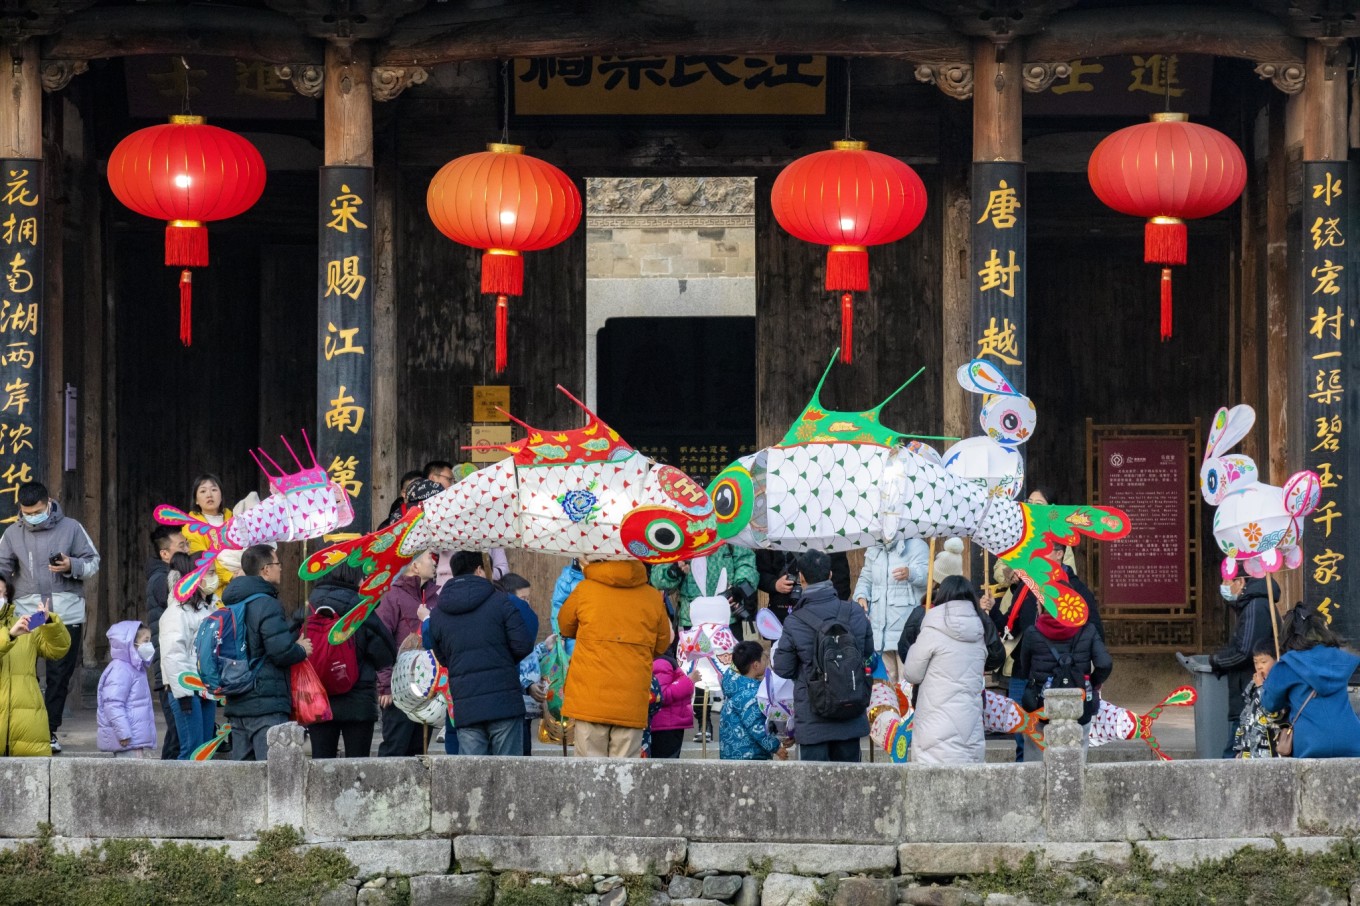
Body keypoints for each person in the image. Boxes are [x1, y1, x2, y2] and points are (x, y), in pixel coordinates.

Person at [0, 480, 101, 753]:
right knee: (25, 673)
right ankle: (21, 731)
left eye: (38, 511)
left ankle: (49, 731)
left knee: (59, 675)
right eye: (27, 512)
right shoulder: (11, 534)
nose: (32, 516)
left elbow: (93, 562)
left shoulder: (71, 527)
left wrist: (72, 565)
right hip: (28, 615)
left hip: (65, 614)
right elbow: (1, 567)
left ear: (49, 503)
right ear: (19, 508)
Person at [559, 559, 671, 758]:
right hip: (631, 698)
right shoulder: (652, 597)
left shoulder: (585, 590)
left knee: (589, 776)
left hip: (589, 696)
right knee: (624, 777)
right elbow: (662, 644)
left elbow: (565, 626)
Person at [426, 551, 533, 756]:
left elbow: (441, 656)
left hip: (466, 706)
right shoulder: (501, 602)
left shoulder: (438, 613)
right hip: (504, 704)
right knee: (508, 775)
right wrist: (501, 660)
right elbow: (523, 645)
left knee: (472, 779)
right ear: (479, 570)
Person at [771, 550, 873, 762]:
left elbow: (783, 668)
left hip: (812, 720)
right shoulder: (854, 612)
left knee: (814, 792)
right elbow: (867, 651)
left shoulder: (795, 621)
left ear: (801, 578)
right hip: (850, 716)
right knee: (850, 789)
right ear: (830, 575)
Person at [223, 545, 313, 761]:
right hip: (265, 704)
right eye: (277, 564)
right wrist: (301, 649)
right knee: (273, 773)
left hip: (238, 700)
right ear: (265, 570)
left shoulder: (231, 603)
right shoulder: (267, 603)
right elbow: (279, 652)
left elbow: (258, 641)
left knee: (243, 777)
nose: (281, 569)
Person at [305, 565, 397, 759]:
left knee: (321, 765)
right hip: (358, 700)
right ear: (353, 578)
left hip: (318, 697)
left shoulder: (309, 608)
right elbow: (386, 655)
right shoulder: (361, 610)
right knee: (358, 768)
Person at [901, 576, 990, 764]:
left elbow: (912, 674)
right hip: (970, 727)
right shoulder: (978, 633)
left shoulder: (932, 630)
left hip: (934, 729)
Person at [1259, 604, 1360, 758]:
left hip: (1310, 742)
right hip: (1351, 739)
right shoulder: (1340, 658)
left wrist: (1264, 684)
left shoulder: (1287, 664)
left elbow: (1270, 703)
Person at [1016, 610, 1113, 760]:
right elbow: (1105, 664)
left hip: (1040, 705)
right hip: (1079, 704)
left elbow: (1024, 668)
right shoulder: (1088, 630)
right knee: (1077, 759)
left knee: (1035, 760)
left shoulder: (1032, 632)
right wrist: (1091, 683)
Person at [1209, 574, 1278, 757]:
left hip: (1250, 695)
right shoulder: (1250, 604)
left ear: (1240, 581)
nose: (1223, 586)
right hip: (1247, 692)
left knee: (1234, 753)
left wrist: (1217, 661)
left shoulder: (1255, 606)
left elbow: (1244, 651)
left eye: (1226, 582)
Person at [159, 552, 218, 759]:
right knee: (192, 750)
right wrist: (183, 692)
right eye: (210, 573)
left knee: (205, 750)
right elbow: (173, 655)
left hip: (205, 689)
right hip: (186, 690)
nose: (214, 577)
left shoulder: (207, 609)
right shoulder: (177, 612)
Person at [376, 551, 435, 756]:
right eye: (429, 558)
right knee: (396, 747)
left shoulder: (433, 596)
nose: (434, 561)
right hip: (399, 686)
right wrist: (385, 685)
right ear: (415, 566)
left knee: (419, 749)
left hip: (426, 686)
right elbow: (381, 640)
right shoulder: (393, 596)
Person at [0, 590, 69, 756]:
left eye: (3, 593)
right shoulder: (14, 630)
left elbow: (58, 650)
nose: (1, 597)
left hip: (27, 721)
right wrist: (9, 636)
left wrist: (50, 622)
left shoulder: (25, 625)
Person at [853, 537, 929, 682]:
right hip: (880, 629)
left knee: (908, 681)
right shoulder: (873, 547)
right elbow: (866, 578)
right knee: (887, 682)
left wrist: (911, 573)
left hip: (906, 630)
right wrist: (861, 596)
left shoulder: (917, 545)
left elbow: (929, 576)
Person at [146, 524, 190, 759]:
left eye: (187, 545)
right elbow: (177, 602)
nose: (187, 550)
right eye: (181, 546)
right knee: (179, 731)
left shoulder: (171, 576)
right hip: (170, 666)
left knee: (179, 733)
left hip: (179, 664)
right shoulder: (160, 579)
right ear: (165, 554)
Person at [496, 572, 546, 756]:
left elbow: (530, 655)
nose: (527, 604)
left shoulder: (522, 629)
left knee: (526, 748)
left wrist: (544, 647)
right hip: (517, 701)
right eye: (523, 599)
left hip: (529, 705)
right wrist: (527, 686)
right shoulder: (508, 630)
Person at [719, 641, 789, 762]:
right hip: (749, 756)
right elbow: (756, 725)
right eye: (764, 658)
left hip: (732, 753)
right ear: (756, 665)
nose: (766, 661)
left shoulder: (736, 687)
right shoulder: (751, 694)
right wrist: (776, 747)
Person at [97, 621, 157, 759]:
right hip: (128, 740)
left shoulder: (134, 667)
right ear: (130, 643)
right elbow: (113, 704)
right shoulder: (121, 669)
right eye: (145, 641)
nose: (149, 645)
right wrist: (123, 733)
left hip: (134, 739)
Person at [756, 550, 851, 624]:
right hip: (783, 610)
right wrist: (774, 584)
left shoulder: (828, 534)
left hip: (824, 613)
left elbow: (841, 580)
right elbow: (758, 572)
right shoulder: (775, 533)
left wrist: (834, 607)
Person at [185, 474, 236, 594]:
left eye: (214, 489)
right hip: (213, 590)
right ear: (196, 500)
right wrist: (230, 576)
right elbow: (202, 560)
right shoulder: (192, 528)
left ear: (221, 495)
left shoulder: (234, 519)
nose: (209, 495)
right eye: (203, 491)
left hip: (242, 579)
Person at [1231, 639, 1280, 759]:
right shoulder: (1252, 685)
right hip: (1249, 748)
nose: (1259, 667)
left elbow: (1272, 713)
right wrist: (1239, 747)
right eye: (1255, 662)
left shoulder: (1278, 684)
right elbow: (1245, 717)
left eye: (1263, 662)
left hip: (1268, 749)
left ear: (1277, 661)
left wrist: (1260, 687)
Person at [649, 638, 694, 759]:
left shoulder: (663, 660)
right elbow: (662, 695)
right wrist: (688, 681)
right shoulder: (661, 662)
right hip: (666, 726)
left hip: (668, 724)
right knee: (666, 765)